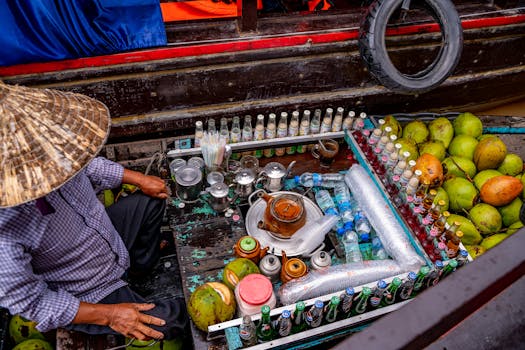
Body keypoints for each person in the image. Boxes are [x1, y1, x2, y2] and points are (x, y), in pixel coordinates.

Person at [0, 81, 187, 341]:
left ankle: (140, 269)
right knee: (170, 319)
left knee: (149, 202)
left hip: (107, 239)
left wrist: (137, 178)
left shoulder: (47, 149)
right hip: (89, 290)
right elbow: (33, 303)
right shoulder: (4, 236)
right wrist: (110, 315)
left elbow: (86, 166)